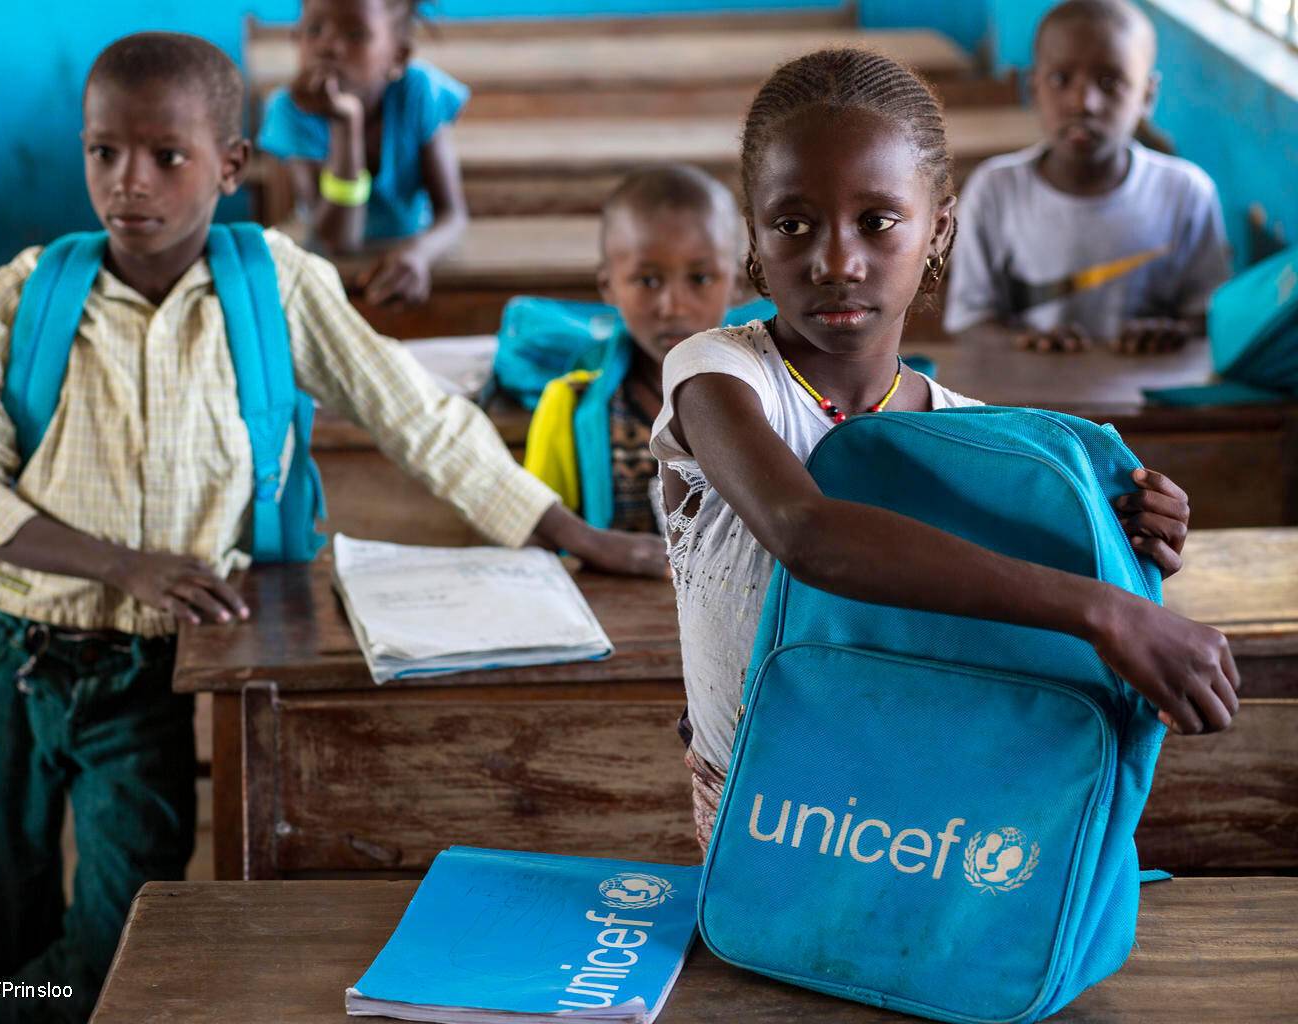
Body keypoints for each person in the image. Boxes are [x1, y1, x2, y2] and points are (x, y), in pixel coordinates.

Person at [0, 32, 662, 1022]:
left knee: (115, 938)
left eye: (166, 155)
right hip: (4, 652)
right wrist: (125, 563)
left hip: (147, 671)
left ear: (231, 166)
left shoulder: (270, 286)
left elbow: (415, 414)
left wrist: (573, 533)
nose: (127, 183)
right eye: (103, 151)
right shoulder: (15, 301)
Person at [649, 48, 1239, 848]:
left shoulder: (974, 436)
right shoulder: (717, 374)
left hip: (923, 821)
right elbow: (808, 534)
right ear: (753, 236)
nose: (836, 261)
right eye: (793, 224)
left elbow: (1003, 616)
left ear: (941, 230)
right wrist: (1107, 609)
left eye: (878, 220)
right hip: (758, 814)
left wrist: (1131, 547)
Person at [942, 0, 1228, 354]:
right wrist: (1024, 341)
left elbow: (1213, 320)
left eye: (1110, 82)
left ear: (1147, 97)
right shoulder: (996, 189)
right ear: (1033, 89)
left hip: (1148, 401)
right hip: (1031, 402)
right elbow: (969, 324)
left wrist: (1171, 331)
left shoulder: (1185, 192)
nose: (1084, 103)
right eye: (1061, 79)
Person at [523, 165, 743, 533]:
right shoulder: (571, 406)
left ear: (738, 281)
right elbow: (538, 539)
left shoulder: (769, 397)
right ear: (608, 286)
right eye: (647, 280)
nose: (672, 306)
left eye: (701, 278)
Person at [258, 0, 466, 306]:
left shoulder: (418, 92)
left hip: (407, 252)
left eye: (356, 35)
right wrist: (346, 125)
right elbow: (339, 239)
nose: (328, 46)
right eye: (314, 29)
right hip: (328, 266)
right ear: (296, 38)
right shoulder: (290, 110)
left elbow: (453, 215)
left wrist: (418, 254)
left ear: (398, 56)